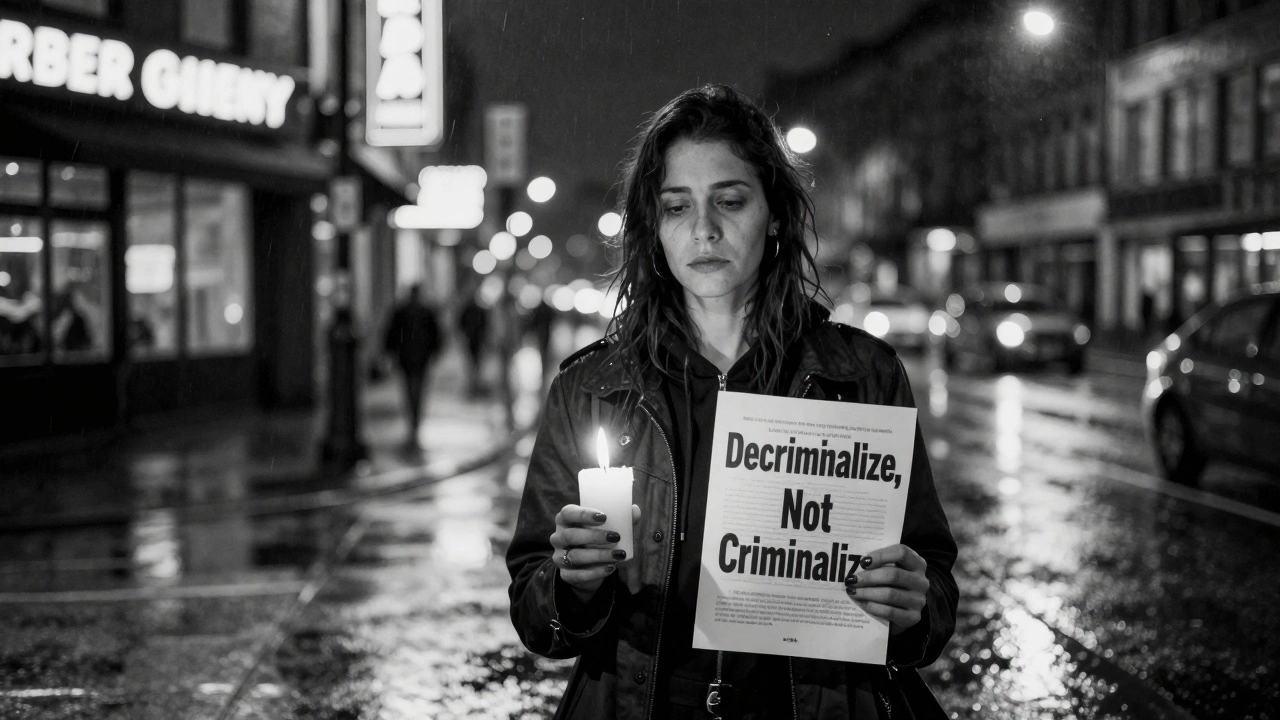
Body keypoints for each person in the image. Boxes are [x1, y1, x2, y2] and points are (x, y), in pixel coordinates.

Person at [507, 85, 958, 719]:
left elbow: (932, 591)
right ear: (653, 227)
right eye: (676, 206)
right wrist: (572, 586)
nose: (704, 230)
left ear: (774, 215)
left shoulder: (862, 377)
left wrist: (911, 604)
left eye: (730, 200)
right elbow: (536, 614)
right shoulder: (593, 387)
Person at [383, 285, 443, 444]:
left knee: (411, 388)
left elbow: (391, 334)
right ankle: (415, 417)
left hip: (410, 358)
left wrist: (390, 352)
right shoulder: (423, 312)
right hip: (417, 358)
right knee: (416, 388)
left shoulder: (405, 312)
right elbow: (436, 335)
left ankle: (413, 417)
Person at [458, 291, 490, 397]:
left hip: (476, 339)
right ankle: (473, 385)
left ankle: (474, 384)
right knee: (473, 363)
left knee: (474, 363)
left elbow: (485, 325)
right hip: (473, 339)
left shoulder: (475, 310)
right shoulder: (472, 310)